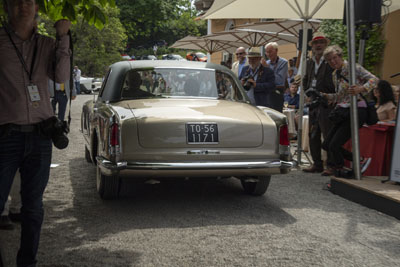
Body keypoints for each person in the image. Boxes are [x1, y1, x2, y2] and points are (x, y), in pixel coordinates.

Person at [0, 0, 71, 266]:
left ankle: (27, 262)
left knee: (33, 208)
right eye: (15, 1)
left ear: (37, 8)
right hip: (5, 135)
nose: (23, 6)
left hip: (41, 136)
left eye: (29, 1)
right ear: (6, 7)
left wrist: (63, 38)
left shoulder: (47, 44)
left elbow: (61, 76)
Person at [321, 45, 376, 177]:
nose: (333, 62)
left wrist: (361, 89)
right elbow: (339, 96)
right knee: (327, 144)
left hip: (357, 109)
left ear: (340, 56)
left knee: (334, 144)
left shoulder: (353, 67)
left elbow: (375, 79)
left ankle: (339, 170)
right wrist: (324, 95)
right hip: (343, 111)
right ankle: (360, 161)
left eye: (334, 58)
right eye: (329, 60)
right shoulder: (335, 74)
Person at [302, 32, 336, 175]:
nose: (318, 45)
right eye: (316, 43)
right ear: (312, 46)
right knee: (313, 134)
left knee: (328, 134)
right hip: (313, 102)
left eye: (321, 42)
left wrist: (330, 97)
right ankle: (317, 163)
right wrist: (307, 94)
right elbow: (305, 79)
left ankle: (332, 165)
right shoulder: (309, 62)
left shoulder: (329, 61)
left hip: (326, 101)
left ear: (325, 44)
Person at [262, 42, 288, 112]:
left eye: (270, 52)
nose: (268, 54)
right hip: (267, 93)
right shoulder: (266, 63)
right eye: (267, 52)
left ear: (276, 51)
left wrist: (267, 68)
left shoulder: (283, 62)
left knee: (276, 115)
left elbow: (280, 80)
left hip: (277, 93)